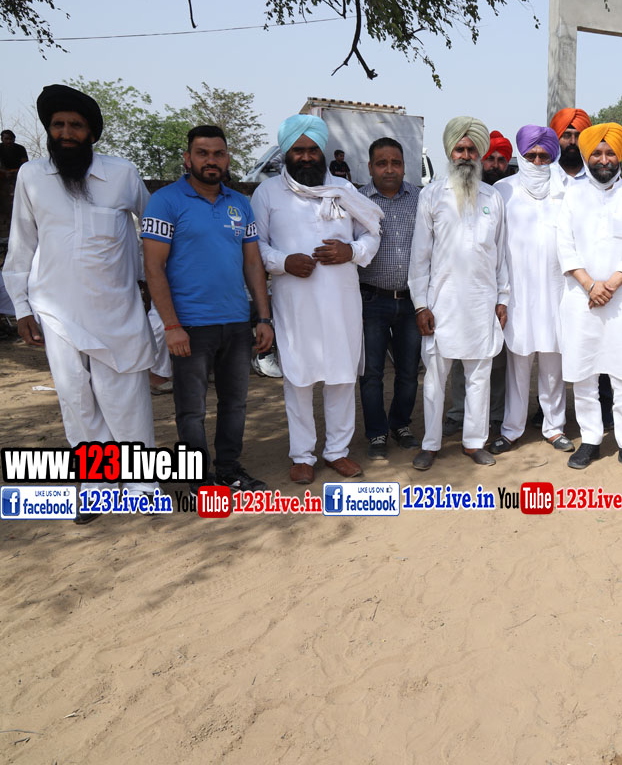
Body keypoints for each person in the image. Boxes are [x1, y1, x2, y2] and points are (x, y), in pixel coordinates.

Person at [4, 84, 158, 521]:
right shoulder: (31, 176)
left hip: (118, 308)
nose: (66, 133)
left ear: (91, 132)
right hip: (55, 309)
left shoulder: (122, 173)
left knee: (124, 396)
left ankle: (142, 485)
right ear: (48, 130)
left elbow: (152, 232)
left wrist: (156, 292)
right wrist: (22, 308)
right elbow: (22, 244)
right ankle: (97, 485)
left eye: (75, 125)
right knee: (75, 398)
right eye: (58, 125)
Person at [141, 124, 275, 492]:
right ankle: (199, 479)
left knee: (235, 403)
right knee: (191, 409)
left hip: (236, 322)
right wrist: (171, 326)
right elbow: (153, 268)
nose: (210, 160)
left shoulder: (240, 203)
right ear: (188, 158)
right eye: (202, 153)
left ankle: (229, 469)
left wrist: (263, 317)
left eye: (218, 154)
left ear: (227, 159)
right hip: (190, 325)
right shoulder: (165, 201)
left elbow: (253, 264)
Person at [253, 114, 382, 484]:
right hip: (295, 305)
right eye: (298, 150)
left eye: (312, 150)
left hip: (341, 303)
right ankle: (302, 455)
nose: (306, 157)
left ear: (322, 151)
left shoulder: (344, 189)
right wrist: (283, 262)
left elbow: (372, 233)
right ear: (286, 153)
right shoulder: (267, 194)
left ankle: (337, 452)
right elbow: (254, 246)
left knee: (341, 376)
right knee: (298, 379)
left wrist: (351, 251)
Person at [408, 116, 510, 470]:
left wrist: (503, 299)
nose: (466, 156)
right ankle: (431, 444)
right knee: (435, 381)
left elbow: (501, 255)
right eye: (459, 149)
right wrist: (420, 305)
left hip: (482, 304)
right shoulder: (431, 195)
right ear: (449, 152)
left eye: (471, 150)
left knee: (479, 377)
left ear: (479, 154)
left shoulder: (493, 198)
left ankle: (473, 443)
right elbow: (419, 257)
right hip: (442, 304)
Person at [556, 122, 622, 475]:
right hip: (581, 298)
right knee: (584, 372)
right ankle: (591, 439)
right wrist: (589, 284)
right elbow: (564, 244)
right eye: (596, 153)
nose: (603, 159)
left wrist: (609, 285)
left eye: (610, 152)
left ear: (619, 155)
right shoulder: (573, 194)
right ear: (587, 155)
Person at [487, 125, 574, 455]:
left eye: (544, 156)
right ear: (521, 157)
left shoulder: (567, 190)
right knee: (518, 364)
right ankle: (512, 429)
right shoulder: (503, 191)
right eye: (531, 155)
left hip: (557, 291)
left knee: (553, 363)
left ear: (552, 157)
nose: (537, 162)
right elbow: (496, 248)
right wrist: (501, 294)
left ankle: (554, 427)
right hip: (517, 293)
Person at [358, 137, 423, 460]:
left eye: (395, 163)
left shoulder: (420, 199)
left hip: (412, 301)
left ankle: (400, 424)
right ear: (370, 167)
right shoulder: (357, 201)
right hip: (372, 300)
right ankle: (377, 433)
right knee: (371, 372)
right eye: (382, 163)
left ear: (404, 166)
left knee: (409, 370)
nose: (389, 169)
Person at [549, 107, 592, 190]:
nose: (573, 141)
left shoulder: (597, 176)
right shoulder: (545, 175)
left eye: (578, 136)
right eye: (566, 135)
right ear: (556, 138)